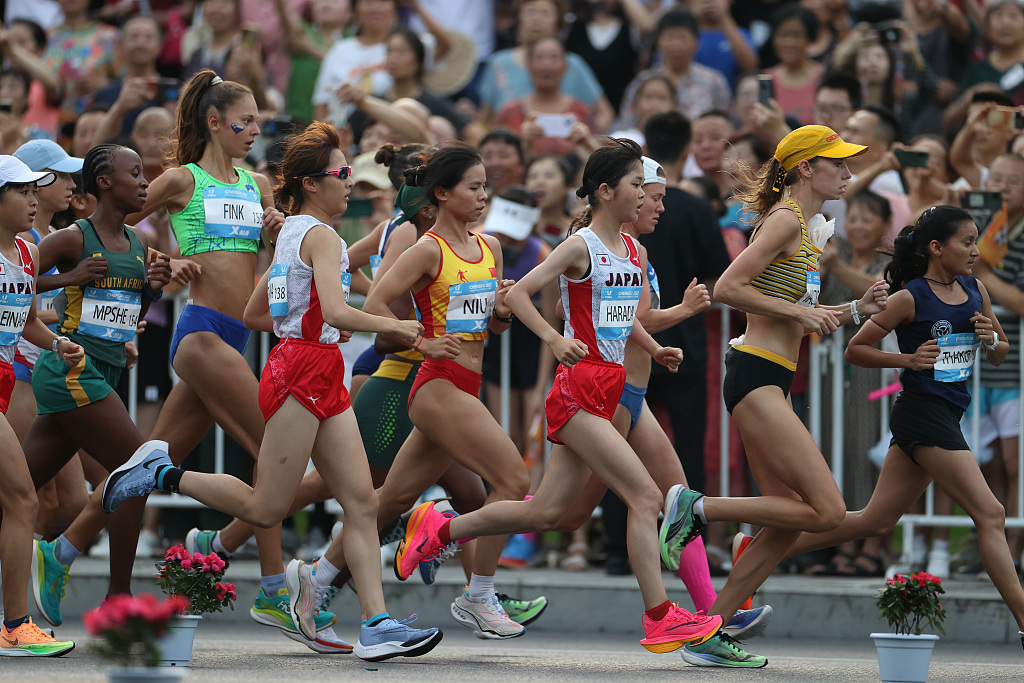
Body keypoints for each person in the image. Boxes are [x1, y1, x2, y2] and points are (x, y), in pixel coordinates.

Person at [101, 121, 444, 662]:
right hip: (304, 371)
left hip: (313, 364)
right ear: (311, 183)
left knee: (360, 502)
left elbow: (258, 313)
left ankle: (377, 626)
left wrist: (317, 326)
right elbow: (331, 308)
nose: (351, 181)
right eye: (343, 172)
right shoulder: (323, 235)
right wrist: (394, 328)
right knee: (267, 507)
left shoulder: (288, 232)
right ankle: (160, 472)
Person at [31, 71, 347, 654]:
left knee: (146, 465)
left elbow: (269, 270)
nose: (255, 130)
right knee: (270, 457)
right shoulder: (182, 178)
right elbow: (113, 219)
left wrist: (276, 236)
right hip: (202, 337)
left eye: (257, 121)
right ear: (214, 121)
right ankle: (274, 587)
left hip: (242, 335)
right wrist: (162, 260)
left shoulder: (259, 185)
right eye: (245, 120)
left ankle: (63, 550)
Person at [384, 139, 726, 656]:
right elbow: (518, 292)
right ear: (606, 191)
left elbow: (622, 316)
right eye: (637, 185)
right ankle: (660, 617)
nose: (645, 195)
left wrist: (655, 348)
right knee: (647, 497)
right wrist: (553, 337)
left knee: (547, 513)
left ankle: (438, 528)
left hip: (611, 387)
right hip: (578, 391)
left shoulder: (634, 250)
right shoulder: (579, 245)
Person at [287, 142, 534, 641]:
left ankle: (316, 581)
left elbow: (488, 326)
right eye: (474, 187)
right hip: (437, 388)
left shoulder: (491, 248)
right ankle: (479, 596)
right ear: (441, 193)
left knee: (390, 500)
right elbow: (376, 304)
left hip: (467, 381)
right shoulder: (426, 249)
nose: (484, 196)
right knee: (511, 482)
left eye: (486, 186)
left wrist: (503, 313)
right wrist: (421, 339)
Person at [656, 125, 890, 636]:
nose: (849, 173)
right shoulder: (786, 219)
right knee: (826, 510)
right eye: (838, 163)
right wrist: (801, 314)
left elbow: (801, 313)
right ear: (806, 167)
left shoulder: (803, 223)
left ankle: (709, 631)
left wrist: (853, 308)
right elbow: (727, 287)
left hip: (769, 376)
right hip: (757, 374)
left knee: (786, 523)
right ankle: (696, 507)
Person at [767, 205, 1024, 648]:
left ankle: (757, 554)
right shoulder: (910, 296)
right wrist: (907, 359)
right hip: (921, 414)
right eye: (967, 242)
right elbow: (855, 349)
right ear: (936, 248)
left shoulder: (975, 288)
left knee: (875, 520)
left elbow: (999, 351)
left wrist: (991, 339)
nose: (976, 251)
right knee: (991, 513)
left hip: (948, 414)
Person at [22, 143, 171, 625]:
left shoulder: (137, 246)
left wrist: (150, 292)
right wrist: (73, 275)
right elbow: (15, 279)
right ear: (104, 183)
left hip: (102, 373)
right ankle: (119, 600)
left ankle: (79, 574)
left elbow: (126, 319)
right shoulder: (72, 238)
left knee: (15, 488)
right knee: (138, 470)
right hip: (70, 372)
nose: (145, 181)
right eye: (135, 173)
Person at [0, 154, 81, 657]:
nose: (33, 200)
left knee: (17, 502)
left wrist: (57, 344)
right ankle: (15, 625)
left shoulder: (27, 254)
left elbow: (26, 322)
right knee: (23, 501)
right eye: (21, 191)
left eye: (36, 191)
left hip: (7, 378)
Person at [617, 8, 730, 128]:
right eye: (669, 37)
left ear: (697, 42)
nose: (676, 44)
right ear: (658, 41)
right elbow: (626, 123)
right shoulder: (643, 81)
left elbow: (726, 123)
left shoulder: (713, 81)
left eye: (683, 37)